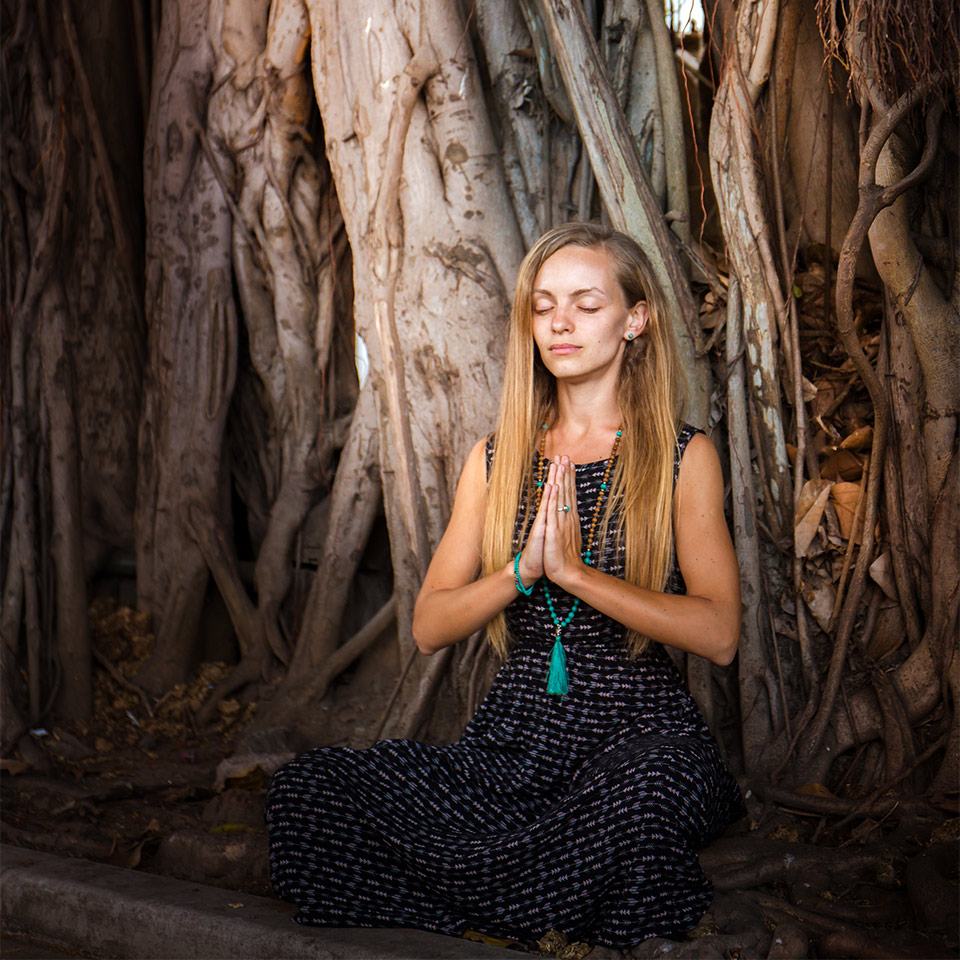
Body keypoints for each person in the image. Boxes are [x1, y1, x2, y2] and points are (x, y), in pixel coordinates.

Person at [266, 222, 745, 949]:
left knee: (643, 805)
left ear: (635, 319)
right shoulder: (497, 460)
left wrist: (577, 577)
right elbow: (429, 624)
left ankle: (503, 894)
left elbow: (719, 634)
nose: (560, 322)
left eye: (586, 304)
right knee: (310, 789)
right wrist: (521, 573)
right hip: (513, 743)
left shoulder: (682, 457)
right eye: (545, 303)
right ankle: (533, 896)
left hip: (639, 736)